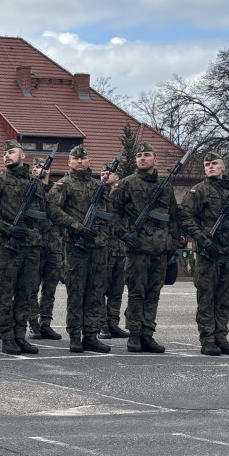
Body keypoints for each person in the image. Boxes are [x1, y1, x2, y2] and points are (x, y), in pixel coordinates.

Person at [112, 141, 181, 353]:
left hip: (160, 250)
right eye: (139, 155)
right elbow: (111, 213)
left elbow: (173, 218)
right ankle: (134, 334)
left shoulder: (165, 186)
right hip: (137, 249)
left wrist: (173, 244)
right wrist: (125, 235)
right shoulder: (126, 184)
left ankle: (147, 334)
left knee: (153, 294)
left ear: (154, 159)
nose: (142, 158)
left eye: (147, 155)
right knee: (136, 294)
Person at [0, 140, 46, 355]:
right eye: (5, 153)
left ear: (22, 156)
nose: (7, 156)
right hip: (8, 245)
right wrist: (5, 227)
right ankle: (7, 337)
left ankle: (20, 334)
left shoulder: (34, 183)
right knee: (7, 293)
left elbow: (42, 210)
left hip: (31, 244)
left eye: (11, 152)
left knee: (26, 292)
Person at [178, 151, 229, 355]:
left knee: (225, 297)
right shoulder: (198, 191)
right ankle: (207, 338)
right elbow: (185, 217)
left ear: (223, 167)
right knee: (207, 297)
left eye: (214, 164)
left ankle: (221, 336)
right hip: (209, 253)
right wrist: (202, 239)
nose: (210, 167)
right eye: (207, 164)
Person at [46, 145, 111, 353]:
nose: (80, 161)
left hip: (98, 246)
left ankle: (91, 335)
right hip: (75, 246)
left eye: (83, 158)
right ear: (70, 162)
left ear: (89, 161)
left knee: (95, 292)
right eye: (76, 158)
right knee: (76, 292)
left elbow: (109, 213)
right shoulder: (64, 184)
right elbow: (52, 209)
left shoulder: (97, 186)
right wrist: (77, 227)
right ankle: (75, 336)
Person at [28, 156, 63, 340]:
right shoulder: (29, 189)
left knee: (50, 288)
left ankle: (45, 323)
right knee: (32, 287)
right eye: (34, 167)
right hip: (35, 244)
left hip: (54, 244)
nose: (36, 169)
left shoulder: (57, 190)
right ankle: (33, 323)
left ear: (48, 170)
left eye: (40, 166)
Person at [97, 164, 129, 339]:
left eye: (108, 173)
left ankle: (113, 323)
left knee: (116, 291)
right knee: (100, 289)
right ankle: (101, 325)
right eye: (102, 173)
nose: (104, 176)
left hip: (120, 249)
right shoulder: (97, 195)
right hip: (103, 248)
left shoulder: (121, 195)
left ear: (117, 178)